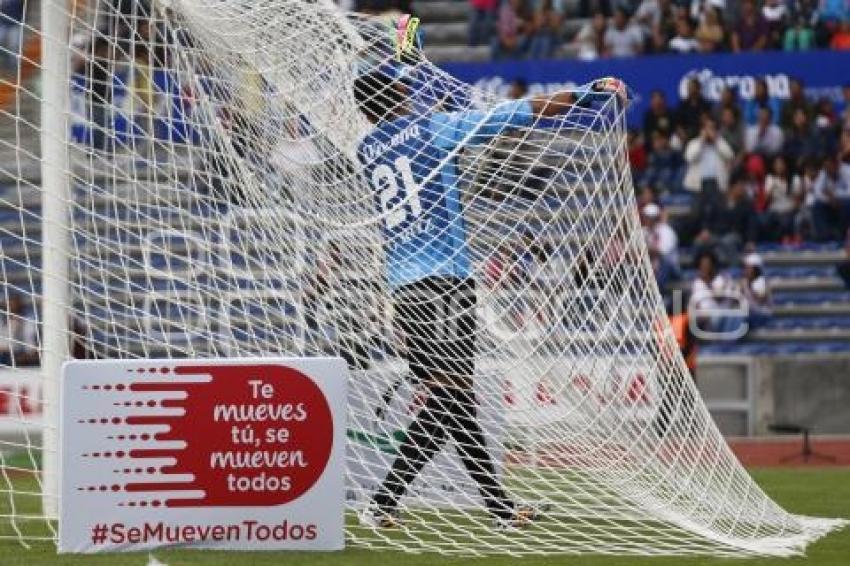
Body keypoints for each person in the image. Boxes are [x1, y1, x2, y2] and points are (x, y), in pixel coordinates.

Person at [353, 64, 626, 529]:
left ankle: (468, 506)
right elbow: (518, 113)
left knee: (452, 398)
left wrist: (417, 94)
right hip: (445, 284)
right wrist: (585, 94)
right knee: (452, 397)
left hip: (402, 287)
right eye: (401, 87)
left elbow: (407, 133)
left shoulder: (367, 148)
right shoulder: (433, 129)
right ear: (396, 94)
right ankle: (407, 503)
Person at [683, 115, 734, 193]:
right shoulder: (694, 143)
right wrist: (701, 142)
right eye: (707, 128)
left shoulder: (720, 142)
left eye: (712, 128)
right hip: (698, 185)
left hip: (717, 183)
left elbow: (729, 156)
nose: (709, 131)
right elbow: (690, 158)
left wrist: (716, 140)